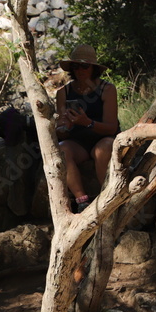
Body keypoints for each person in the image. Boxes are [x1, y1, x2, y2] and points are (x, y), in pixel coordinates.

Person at [55, 44, 120, 213]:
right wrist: (65, 126)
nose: (80, 70)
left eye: (85, 66)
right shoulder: (64, 92)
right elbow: (60, 133)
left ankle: (108, 197)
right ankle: (81, 200)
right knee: (62, 151)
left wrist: (88, 122)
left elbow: (112, 128)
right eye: (75, 66)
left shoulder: (107, 89)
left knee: (103, 150)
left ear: (93, 68)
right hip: (78, 141)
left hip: (102, 136)